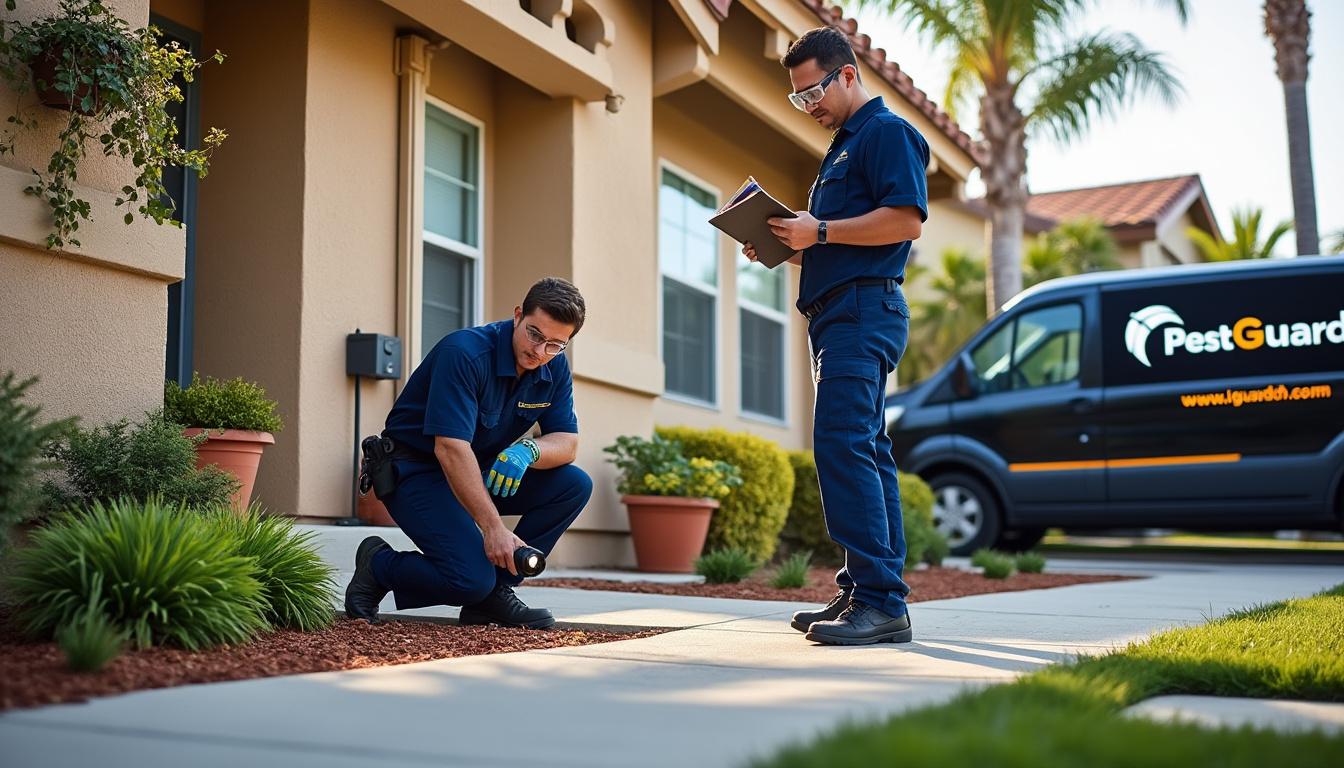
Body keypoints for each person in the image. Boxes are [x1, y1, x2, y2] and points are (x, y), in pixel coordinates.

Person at [744, 26, 929, 645]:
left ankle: (880, 603)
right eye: (798, 99)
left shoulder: (886, 134)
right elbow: (842, 239)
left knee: (843, 445)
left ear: (848, 74)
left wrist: (818, 232)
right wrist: (786, 245)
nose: (809, 105)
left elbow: (905, 221)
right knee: (864, 450)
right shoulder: (843, 147)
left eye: (813, 91)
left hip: (861, 313)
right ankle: (867, 590)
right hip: (837, 312)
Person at [344, 277, 591, 629]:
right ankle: (379, 565)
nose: (540, 352)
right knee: (470, 580)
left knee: (573, 484)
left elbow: (567, 441)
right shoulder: (464, 353)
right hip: (416, 471)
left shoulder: (553, 366)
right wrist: (493, 528)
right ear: (518, 315)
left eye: (555, 344)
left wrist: (528, 450)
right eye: (535, 334)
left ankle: (494, 598)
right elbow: (450, 447)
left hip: (476, 468)